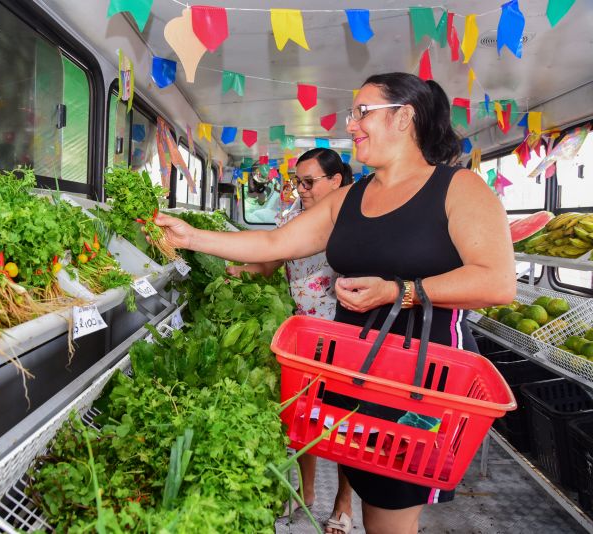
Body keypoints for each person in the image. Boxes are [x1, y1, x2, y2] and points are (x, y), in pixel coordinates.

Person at [153, 72, 515, 534]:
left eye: (363, 112)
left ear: (405, 117)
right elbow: (273, 245)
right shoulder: (350, 198)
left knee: (390, 509)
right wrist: (190, 236)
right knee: (366, 488)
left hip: (421, 380)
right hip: (353, 370)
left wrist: (401, 291)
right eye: (352, 114)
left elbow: (498, 281)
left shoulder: (459, 189)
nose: (352, 124)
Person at [226, 147, 355, 534]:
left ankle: (344, 502)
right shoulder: (291, 219)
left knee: (348, 423)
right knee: (305, 417)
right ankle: (306, 492)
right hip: (305, 334)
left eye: (309, 182)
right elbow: (271, 260)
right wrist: (233, 270)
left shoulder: (357, 224)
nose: (301, 189)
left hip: (348, 336)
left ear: (336, 182)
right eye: (297, 181)